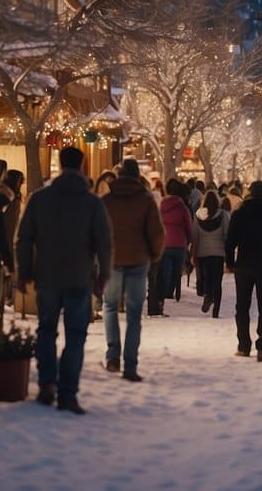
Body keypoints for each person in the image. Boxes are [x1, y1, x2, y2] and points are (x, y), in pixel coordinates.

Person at [16, 146, 112, 414]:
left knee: (46, 330)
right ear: (81, 166)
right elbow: (104, 242)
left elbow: (24, 238)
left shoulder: (40, 199)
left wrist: (23, 271)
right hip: (79, 277)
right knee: (76, 335)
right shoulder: (92, 202)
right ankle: (68, 392)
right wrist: (103, 273)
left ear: (59, 164)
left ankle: (47, 383)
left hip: (47, 276)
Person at [100, 158, 165, 382]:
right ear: (138, 175)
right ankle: (130, 364)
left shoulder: (106, 201)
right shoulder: (146, 201)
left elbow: (98, 232)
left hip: (112, 259)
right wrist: (154, 255)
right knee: (134, 313)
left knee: (109, 307)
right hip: (139, 260)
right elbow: (156, 233)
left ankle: (112, 356)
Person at [226, 181, 262, 361]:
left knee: (242, 306)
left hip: (244, 264)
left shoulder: (240, 214)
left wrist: (230, 262)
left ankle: (243, 345)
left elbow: (230, 241)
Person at [153, 180, 193, 315]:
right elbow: (188, 226)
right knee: (176, 271)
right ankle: (170, 291)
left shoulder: (161, 206)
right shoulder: (182, 208)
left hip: (164, 242)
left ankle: (163, 295)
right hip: (179, 244)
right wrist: (189, 241)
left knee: (164, 271)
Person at [195, 190, 229, 318]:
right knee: (217, 280)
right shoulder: (223, 215)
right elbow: (226, 233)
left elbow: (195, 234)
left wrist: (194, 250)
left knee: (207, 276)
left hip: (203, 252)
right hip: (218, 252)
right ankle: (216, 309)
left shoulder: (198, 215)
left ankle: (208, 295)